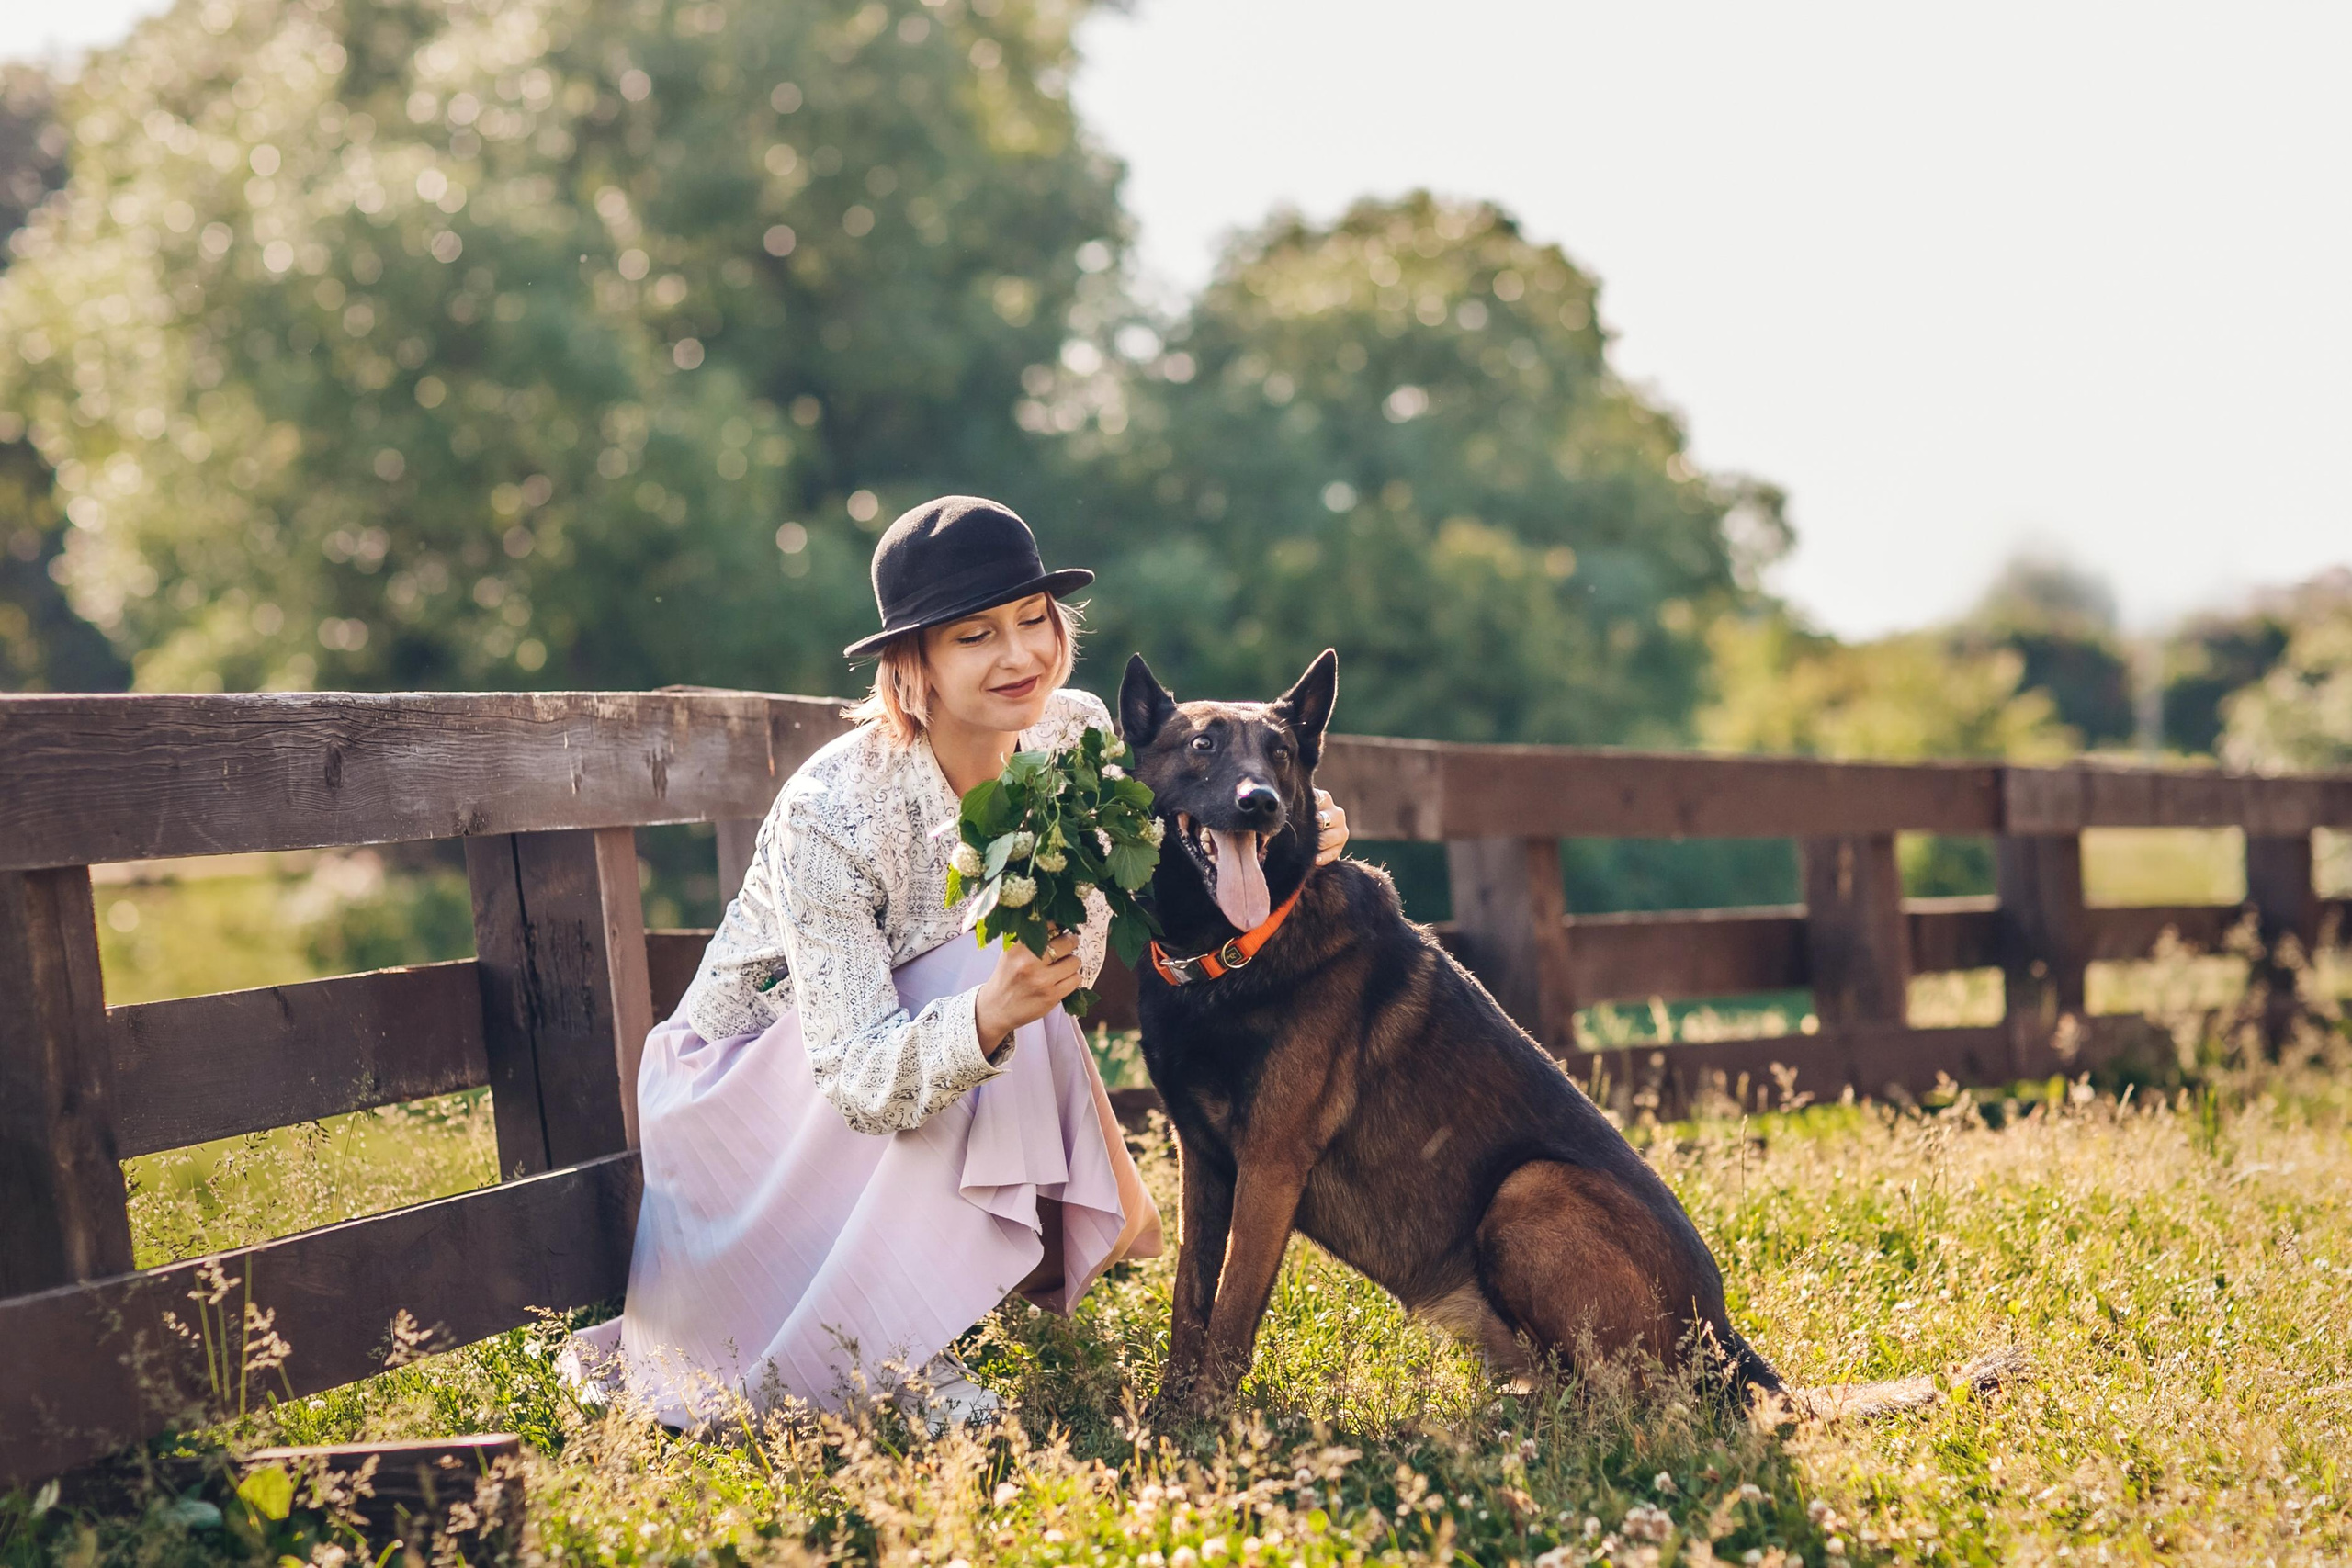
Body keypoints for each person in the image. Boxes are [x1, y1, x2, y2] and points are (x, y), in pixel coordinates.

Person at [560, 496, 1350, 1431]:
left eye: (1033, 621)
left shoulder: (1074, 732)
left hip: (907, 1053)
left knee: (1004, 964)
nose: (1019, 656)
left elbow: (1170, 834)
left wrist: (1286, 830)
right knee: (981, 967)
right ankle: (890, 1351)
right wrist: (987, 1013)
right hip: (749, 1091)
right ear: (914, 665)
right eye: (976, 636)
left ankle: (937, 1299)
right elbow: (856, 1073)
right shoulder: (833, 807)